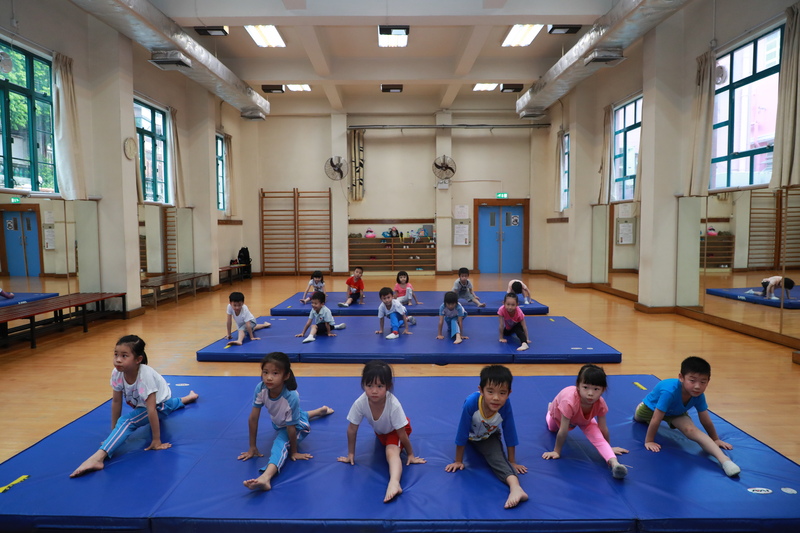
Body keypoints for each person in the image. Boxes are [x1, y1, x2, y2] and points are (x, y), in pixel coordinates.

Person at [70, 335, 198, 477]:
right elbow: (116, 401)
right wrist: (113, 433)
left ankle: (97, 458)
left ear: (138, 359)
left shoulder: (145, 376)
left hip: (157, 406)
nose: (118, 359)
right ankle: (187, 398)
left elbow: (151, 409)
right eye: (116, 354)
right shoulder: (117, 373)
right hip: (157, 403)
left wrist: (156, 440)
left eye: (124, 356)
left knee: (127, 421)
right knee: (169, 405)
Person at [240, 352, 334, 491]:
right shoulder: (261, 388)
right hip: (280, 422)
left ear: (286, 376)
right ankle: (319, 411)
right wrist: (252, 446)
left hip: (297, 427)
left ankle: (266, 478)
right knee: (294, 415)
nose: (269, 377)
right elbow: (253, 418)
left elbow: (291, 428)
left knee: (279, 444)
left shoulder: (291, 396)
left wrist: (294, 451)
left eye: (275, 373)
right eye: (265, 372)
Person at [633, 356, 740, 477]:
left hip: (676, 412)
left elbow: (705, 420)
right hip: (651, 410)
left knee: (691, 430)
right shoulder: (669, 391)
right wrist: (649, 441)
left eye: (703, 382)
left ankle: (725, 460)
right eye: (692, 380)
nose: (697, 386)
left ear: (708, 381)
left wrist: (715, 439)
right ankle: (641, 404)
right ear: (681, 377)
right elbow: (656, 418)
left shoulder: (698, 395)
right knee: (638, 418)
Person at [338, 360, 426, 503]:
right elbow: (352, 429)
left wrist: (411, 454)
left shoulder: (393, 405)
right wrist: (351, 454)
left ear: (388, 386)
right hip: (381, 432)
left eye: (379, 386)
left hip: (397, 430)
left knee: (391, 452)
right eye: (369, 386)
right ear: (363, 385)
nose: (374, 391)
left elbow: (402, 433)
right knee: (386, 445)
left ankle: (394, 483)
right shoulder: (360, 403)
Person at [445, 365, 528, 509]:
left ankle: (516, 488)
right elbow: (462, 431)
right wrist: (458, 461)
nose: (496, 398)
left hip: (488, 436)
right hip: (471, 435)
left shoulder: (505, 405)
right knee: (474, 442)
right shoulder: (471, 403)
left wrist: (512, 461)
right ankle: (515, 486)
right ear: (481, 390)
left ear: (509, 393)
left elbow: (509, 430)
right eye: (490, 392)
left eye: (502, 393)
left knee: (496, 458)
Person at [542, 364, 629, 479]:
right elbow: (563, 430)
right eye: (585, 387)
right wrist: (556, 451)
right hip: (560, 414)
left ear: (603, 390)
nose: (590, 393)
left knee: (598, 437)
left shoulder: (600, 403)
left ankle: (615, 464)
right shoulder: (568, 401)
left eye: (596, 389)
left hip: (585, 419)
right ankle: (550, 409)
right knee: (552, 428)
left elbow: (603, 428)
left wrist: (609, 448)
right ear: (578, 386)